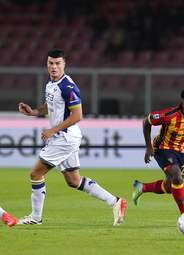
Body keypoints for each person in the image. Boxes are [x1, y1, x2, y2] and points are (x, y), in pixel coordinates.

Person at [17, 49, 126, 226]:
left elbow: (77, 115)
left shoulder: (68, 86)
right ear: (47, 64)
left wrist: (52, 130)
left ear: (64, 64)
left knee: (35, 173)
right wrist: (34, 112)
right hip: (65, 137)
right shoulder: (51, 82)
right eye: (51, 63)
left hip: (64, 138)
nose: (54, 67)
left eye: (58, 63)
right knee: (74, 181)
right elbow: (50, 105)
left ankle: (35, 217)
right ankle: (115, 202)